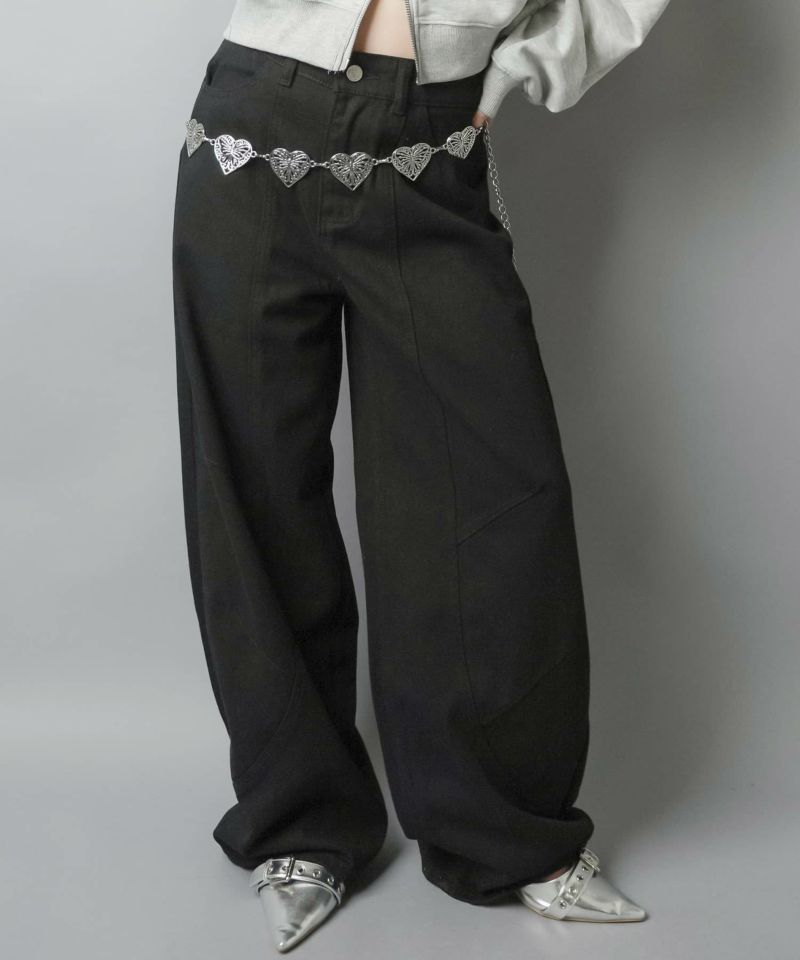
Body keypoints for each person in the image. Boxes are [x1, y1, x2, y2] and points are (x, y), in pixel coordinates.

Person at [171, 0, 672, 951]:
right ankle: (299, 825)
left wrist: (516, 67)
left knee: (490, 500)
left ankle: (507, 832)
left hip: (430, 141)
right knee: (255, 495)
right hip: (249, 125)